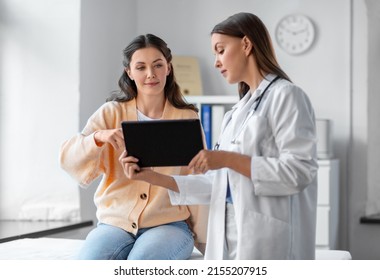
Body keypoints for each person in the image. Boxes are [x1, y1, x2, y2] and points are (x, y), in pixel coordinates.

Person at [119, 13, 318, 260]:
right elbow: (216, 184)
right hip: (230, 235)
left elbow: (299, 171)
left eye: (220, 50)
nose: (216, 62)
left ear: (246, 45)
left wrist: (227, 159)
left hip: (268, 239)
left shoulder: (286, 96)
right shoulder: (235, 114)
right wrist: (152, 177)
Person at [59, 34, 207, 260]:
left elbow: (197, 181)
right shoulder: (111, 112)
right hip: (114, 224)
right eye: (141, 67)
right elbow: (68, 159)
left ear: (168, 68)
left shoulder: (187, 117)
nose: (151, 74)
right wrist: (98, 137)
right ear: (129, 72)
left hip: (169, 225)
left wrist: (206, 242)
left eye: (158, 65)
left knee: (140, 264)